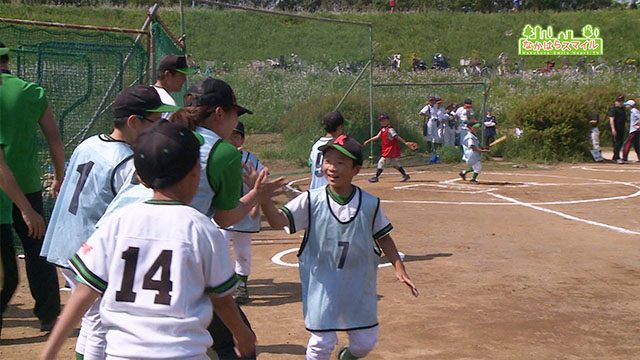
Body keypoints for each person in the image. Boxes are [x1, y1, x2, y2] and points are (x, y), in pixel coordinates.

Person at [40, 120, 257, 360]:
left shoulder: (116, 222)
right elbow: (223, 301)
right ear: (196, 172)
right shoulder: (202, 229)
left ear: (141, 179)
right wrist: (242, 333)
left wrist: (49, 352)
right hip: (182, 354)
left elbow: (83, 294)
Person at [40, 85, 179, 358]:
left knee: (91, 319)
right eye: (156, 121)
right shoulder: (127, 162)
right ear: (133, 122)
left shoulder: (89, 143)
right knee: (99, 323)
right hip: (88, 250)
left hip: (64, 243)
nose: (160, 126)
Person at [260, 134, 418, 360]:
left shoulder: (370, 204)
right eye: (328, 160)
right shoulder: (311, 200)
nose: (332, 167)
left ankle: (346, 356)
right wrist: (264, 200)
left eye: (340, 162)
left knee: (365, 342)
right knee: (323, 342)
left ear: (356, 169)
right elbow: (277, 222)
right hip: (323, 287)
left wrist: (400, 269)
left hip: (358, 287)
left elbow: (383, 237)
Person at [0, 41, 65, 333]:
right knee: (38, 251)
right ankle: (49, 314)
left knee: (5, 268)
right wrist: (59, 175)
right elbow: (53, 137)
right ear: (7, 59)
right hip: (26, 184)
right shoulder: (30, 91)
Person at [220, 121, 266, 304]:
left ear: (242, 139)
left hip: (245, 213)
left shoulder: (251, 160)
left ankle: (242, 285)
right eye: (229, 135)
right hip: (223, 212)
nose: (232, 139)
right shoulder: (219, 157)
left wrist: (257, 204)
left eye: (236, 136)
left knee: (242, 252)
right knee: (220, 248)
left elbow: (261, 182)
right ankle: (222, 283)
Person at [363, 113, 415, 183]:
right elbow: (377, 136)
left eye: (384, 120)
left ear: (388, 121)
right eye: (381, 120)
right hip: (386, 148)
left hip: (390, 148)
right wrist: (368, 140)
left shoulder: (390, 129)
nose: (382, 122)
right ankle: (405, 175)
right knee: (394, 163)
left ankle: (376, 177)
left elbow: (396, 136)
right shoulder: (383, 129)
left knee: (382, 161)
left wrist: (405, 142)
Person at [309, 111, 347, 190]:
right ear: (339, 127)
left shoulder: (316, 146)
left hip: (314, 191)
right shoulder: (337, 146)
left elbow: (310, 163)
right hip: (328, 193)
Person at [608, 95, 627, 164]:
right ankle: (616, 157)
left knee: (620, 143)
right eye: (619, 101)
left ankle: (616, 156)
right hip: (616, 129)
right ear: (616, 102)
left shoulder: (622, 109)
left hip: (621, 128)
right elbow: (611, 119)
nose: (620, 102)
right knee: (617, 143)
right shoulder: (614, 109)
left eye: (622, 101)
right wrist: (613, 129)